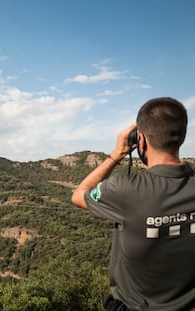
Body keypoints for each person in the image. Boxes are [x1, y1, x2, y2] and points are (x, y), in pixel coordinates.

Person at [71, 97, 195, 310]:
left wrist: (116, 154)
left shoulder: (126, 189)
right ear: (182, 137)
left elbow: (78, 195)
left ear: (142, 140)